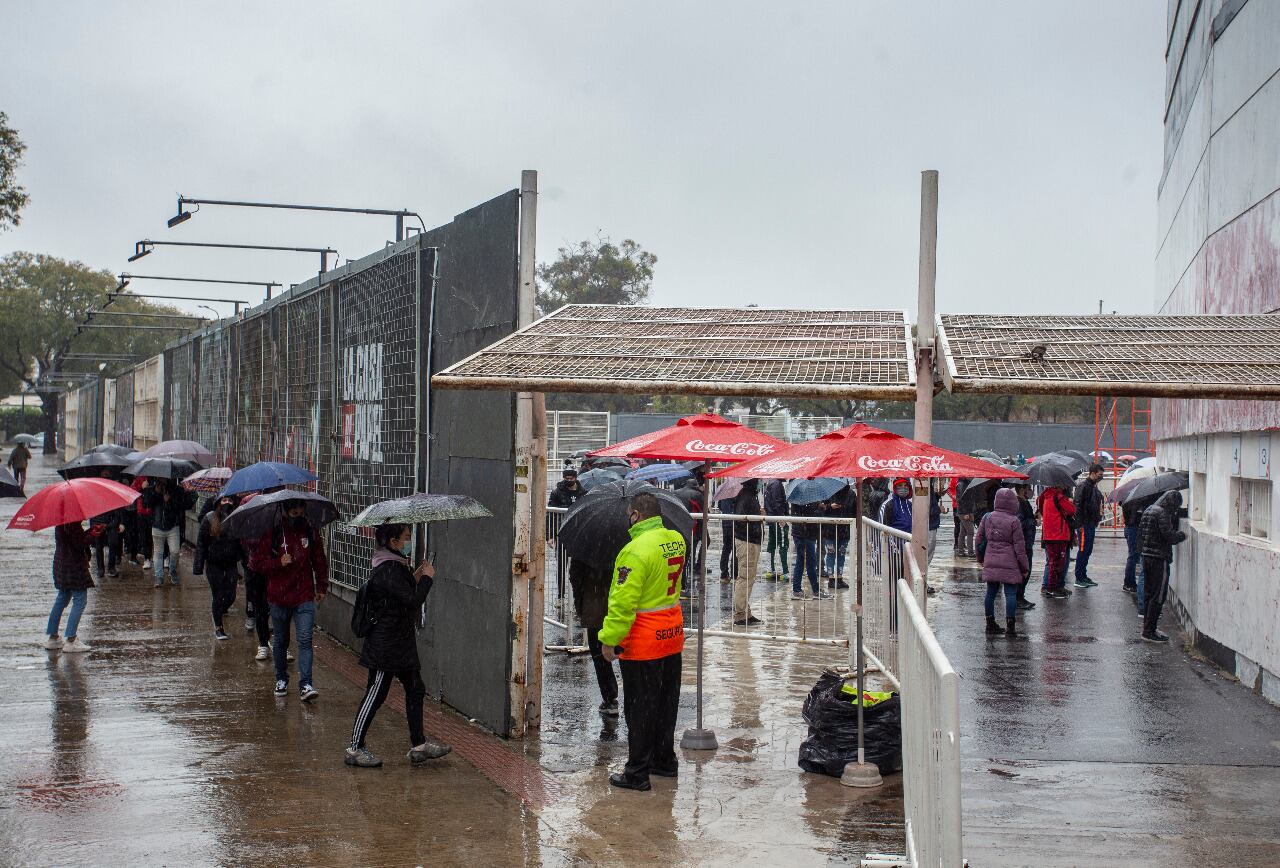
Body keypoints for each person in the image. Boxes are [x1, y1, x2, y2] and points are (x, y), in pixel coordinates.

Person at [599, 492, 687, 791]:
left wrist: (610, 640)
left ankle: (637, 772)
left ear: (636, 514)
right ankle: (664, 761)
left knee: (640, 709)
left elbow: (623, 602)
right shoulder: (676, 539)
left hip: (644, 641)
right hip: (672, 637)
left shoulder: (634, 551)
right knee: (666, 704)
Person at [345, 523, 451, 768]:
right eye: (405, 537)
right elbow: (412, 600)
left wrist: (415, 577)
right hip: (386, 645)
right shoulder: (388, 568)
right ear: (393, 541)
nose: (408, 542)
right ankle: (355, 748)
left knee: (415, 688)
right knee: (376, 693)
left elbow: (400, 594)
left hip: (400, 643)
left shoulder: (394, 565)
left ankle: (419, 745)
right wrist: (426, 579)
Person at [249, 499, 329, 701]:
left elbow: (319, 559)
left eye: (300, 507)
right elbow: (257, 563)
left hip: (303, 595)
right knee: (281, 641)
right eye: (292, 507)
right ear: (285, 509)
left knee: (304, 639)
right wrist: (278, 562)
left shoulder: (310, 531)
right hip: (278, 596)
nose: (296, 511)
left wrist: (322, 586)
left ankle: (306, 684)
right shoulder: (273, 532)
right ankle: (281, 678)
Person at [976, 488, 1030, 637]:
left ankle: (990, 623)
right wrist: (1024, 567)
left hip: (990, 559)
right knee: (1010, 594)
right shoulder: (1014, 521)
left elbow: (978, 539)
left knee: (991, 593)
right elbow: (1020, 548)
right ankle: (1010, 627)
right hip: (1010, 562)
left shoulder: (987, 517)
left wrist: (981, 559)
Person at [569, 558, 619, 714]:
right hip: (620, 607)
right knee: (628, 655)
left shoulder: (586, 548)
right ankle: (634, 700)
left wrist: (580, 605)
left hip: (595, 605)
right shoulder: (626, 545)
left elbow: (575, 577)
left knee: (600, 655)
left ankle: (610, 699)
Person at [192, 494, 245, 640]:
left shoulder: (235, 518)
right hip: (214, 563)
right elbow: (201, 543)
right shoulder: (209, 518)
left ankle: (219, 610)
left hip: (230, 563)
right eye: (224, 500)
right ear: (217, 503)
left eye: (229, 500)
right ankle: (219, 627)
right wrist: (198, 565)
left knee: (231, 595)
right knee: (218, 594)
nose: (226, 503)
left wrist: (244, 559)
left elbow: (240, 542)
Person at [1139, 491, 1187, 643]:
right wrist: (1182, 535)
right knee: (1158, 595)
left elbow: (1141, 533)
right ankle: (1150, 630)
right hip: (1159, 558)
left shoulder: (1149, 509)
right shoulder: (1162, 513)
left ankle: (1147, 628)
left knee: (1148, 593)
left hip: (1146, 556)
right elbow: (1168, 536)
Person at [44, 520, 98, 653]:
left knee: (61, 599)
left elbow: (74, 539)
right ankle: (71, 639)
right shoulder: (72, 522)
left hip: (62, 565)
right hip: (74, 568)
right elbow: (79, 544)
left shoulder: (61, 521)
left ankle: (53, 637)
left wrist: (89, 531)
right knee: (80, 600)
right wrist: (93, 535)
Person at [143, 477, 196, 587]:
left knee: (175, 551)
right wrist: (157, 494)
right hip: (157, 527)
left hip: (173, 527)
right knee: (158, 553)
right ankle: (159, 577)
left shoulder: (176, 490)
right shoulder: (152, 489)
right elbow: (147, 503)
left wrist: (172, 499)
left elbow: (185, 505)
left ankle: (172, 570)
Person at [729, 479, 763, 625]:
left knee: (749, 577)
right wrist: (757, 520)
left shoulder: (749, 496)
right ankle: (741, 614)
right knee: (745, 577)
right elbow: (742, 520)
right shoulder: (745, 497)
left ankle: (745, 612)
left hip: (751, 541)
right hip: (747, 541)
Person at [1038, 484, 1076, 599]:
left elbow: (1041, 510)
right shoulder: (1059, 497)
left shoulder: (1044, 496)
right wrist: (1069, 501)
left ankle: (1054, 587)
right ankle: (1052, 588)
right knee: (1057, 563)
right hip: (1058, 535)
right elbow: (1072, 510)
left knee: (1053, 562)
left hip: (1049, 534)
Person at [1072, 464, 1105, 588]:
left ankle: (1083, 576)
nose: (1101, 477)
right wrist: (1079, 524)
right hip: (1084, 523)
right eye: (1099, 475)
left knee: (1087, 550)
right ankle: (1079, 577)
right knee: (1083, 550)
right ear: (1093, 473)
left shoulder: (1092, 487)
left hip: (1090, 523)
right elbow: (1078, 505)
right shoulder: (1084, 486)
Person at [90, 469, 126, 580]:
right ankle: (101, 568)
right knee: (99, 546)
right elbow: (93, 510)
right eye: (103, 474)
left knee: (113, 544)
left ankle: (111, 567)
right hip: (98, 522)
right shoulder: (94, 491)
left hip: (111, 522)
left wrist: (113, 524)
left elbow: (118, 511)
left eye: (107, 475)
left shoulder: (114, 490)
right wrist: (97, 524)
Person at [789, 499, 829, 600]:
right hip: (805, 534)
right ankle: (813, 590)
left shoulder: (799, 497)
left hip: (803, 533)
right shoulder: (804, 500)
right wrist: (820, 509)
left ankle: (798, 590)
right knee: (809, 562)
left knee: (802, 561)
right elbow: (811, 515)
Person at [823, 485, 856, 589]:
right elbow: (821, 508)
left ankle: (840, 578)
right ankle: (831, 579)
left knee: (841, 554)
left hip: (845, 529)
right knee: (831, 553)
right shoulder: (828, 491)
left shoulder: (851, 494)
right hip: (829, 529)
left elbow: (855, 511)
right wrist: (829, 507)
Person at [1013, 484, 1038, 610]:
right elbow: (1019, 523)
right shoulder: (1019, 504)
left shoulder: (1025, 502)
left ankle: (1020, 596)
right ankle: (1018, 598)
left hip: (1028, 541)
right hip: (1023, 542)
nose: (1031, 491)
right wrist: (1033, 522)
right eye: (1028, 488)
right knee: (1024, 571)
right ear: (1022, 490)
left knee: (1027, 571)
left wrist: (1035, 518)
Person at [763, 479, 790, 580]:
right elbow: (777, 502)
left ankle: (770, 570)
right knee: (783, 543)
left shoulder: (771, 482)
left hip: (771, 518)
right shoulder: (777, 484)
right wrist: (781, 518)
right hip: (777, 519)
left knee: (772, 544)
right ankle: (785, 571)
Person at [1121, 495, 1146, 599]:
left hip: (1130, 527)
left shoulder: (1128, 495)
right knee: (1133, 555)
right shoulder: (1136, 498)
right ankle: (1129, 583)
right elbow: (1135, 515)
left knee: (1133, 555)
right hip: (1133, 527)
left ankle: (1129, 583)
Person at [955, 479, 975, 557]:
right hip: (965, 512)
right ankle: (970, 552)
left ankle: (961, 551)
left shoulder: (964, 483)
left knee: (962, 532)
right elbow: (961, 499)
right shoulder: (962, 484)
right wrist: (965, 513)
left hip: (965, 512)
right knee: (970, 532)